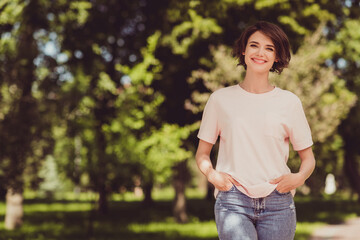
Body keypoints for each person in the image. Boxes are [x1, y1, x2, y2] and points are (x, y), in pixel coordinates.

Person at [195, 21, 316, 240]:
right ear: (244, 50)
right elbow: (202, 154)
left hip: (278, 202)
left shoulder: (289, 102)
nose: (260, 53)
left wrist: (298, 178)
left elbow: (308, 159)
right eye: (254, 45)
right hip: (232, 201)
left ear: (277, 56)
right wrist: (213, 176)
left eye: (269, 48)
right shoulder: (220, 100)